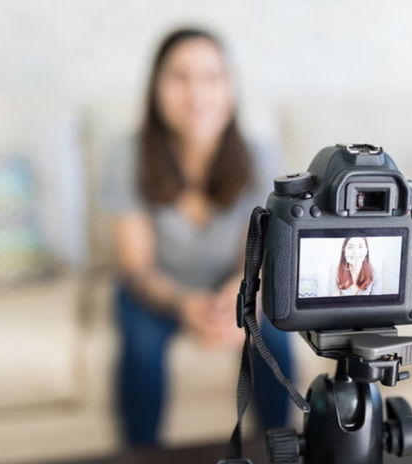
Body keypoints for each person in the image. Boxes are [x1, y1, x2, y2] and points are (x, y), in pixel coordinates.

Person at [103, 28, 293, 447]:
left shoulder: (259, 156)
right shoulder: (127, 155)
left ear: (230, 88)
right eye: (179, 78)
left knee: (275, 334)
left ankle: (280, 448)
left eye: (212, 77)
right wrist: (183, 303)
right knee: (140, 349)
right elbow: (136, 267)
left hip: (231, 286)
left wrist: (240, 297)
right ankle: (141, 454)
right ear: (155, 87)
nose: (197, 95)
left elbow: (259, 255)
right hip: (154, 288)